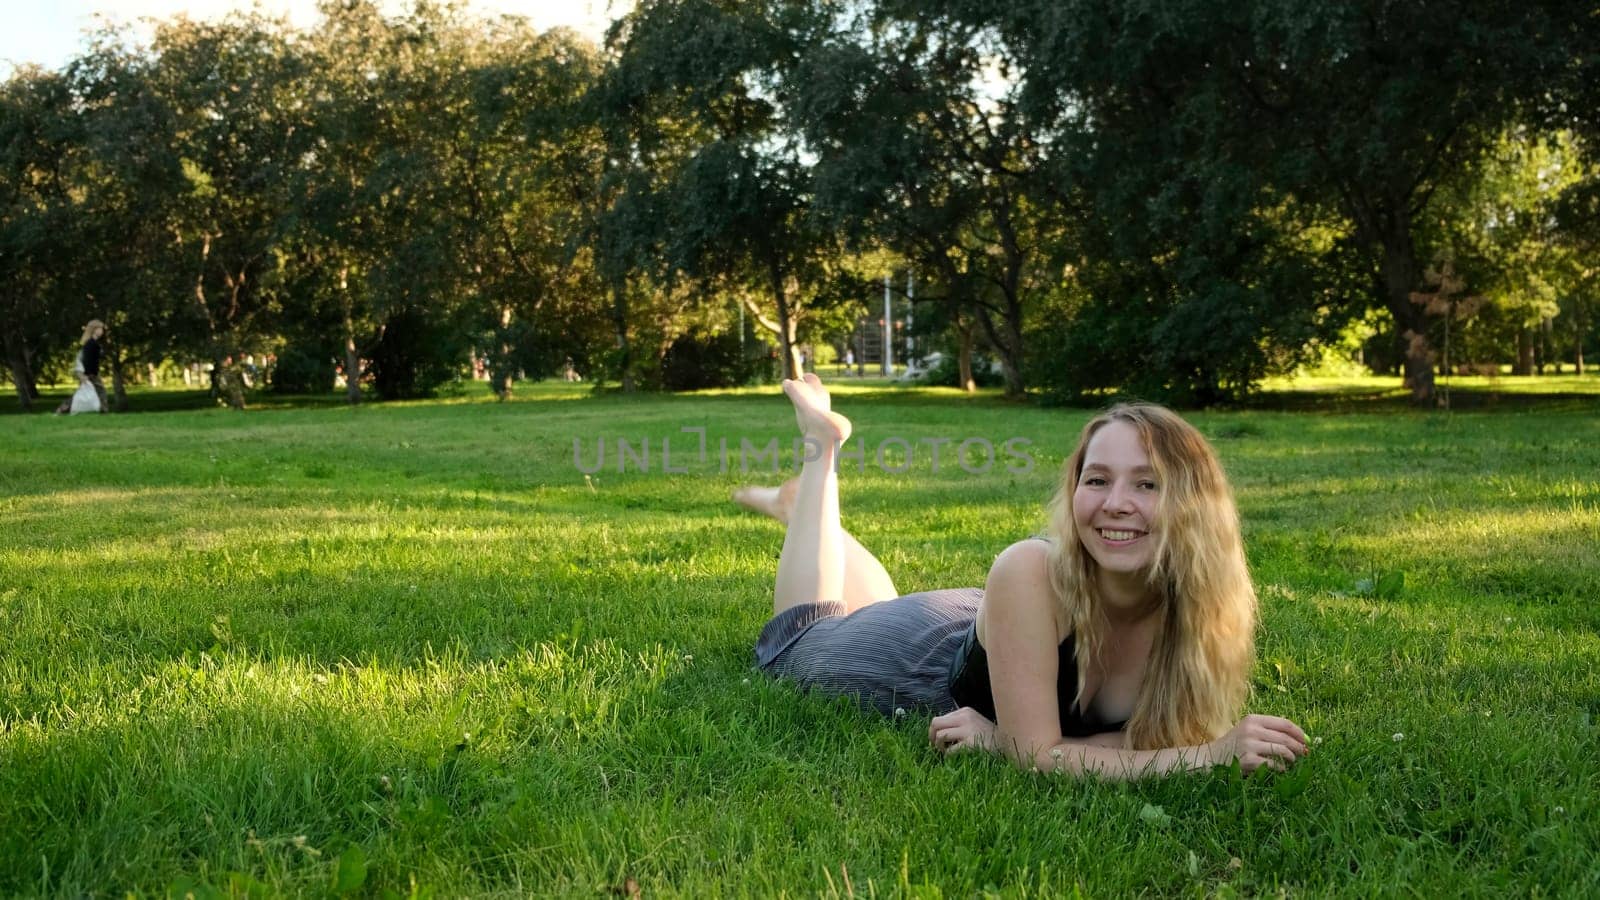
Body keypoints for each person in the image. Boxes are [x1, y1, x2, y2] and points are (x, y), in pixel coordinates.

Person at [733, 374, 1308, 779]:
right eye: (1097, 479)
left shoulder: (1200, 603)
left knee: (865, 602)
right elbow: (1043, 757)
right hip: (912, 660)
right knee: (803, 634)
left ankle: (804, 510)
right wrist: (1208, 755)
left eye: (1147, 484)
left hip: (993, 628)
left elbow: (1151, 739)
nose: (1116, 503)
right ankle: (819, 456)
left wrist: (1012, 740)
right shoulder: (1030, 566)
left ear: (1194, 505)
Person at [56, 319, 108, 415]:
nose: (102, 331)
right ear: (94, 329)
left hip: (91, 373)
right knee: (101, 392)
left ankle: (62, 409)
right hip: (91, 373)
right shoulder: (91, 344)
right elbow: (87, 360)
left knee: (86, 392)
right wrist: (87, 374)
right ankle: (104, 411)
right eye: (100, 329)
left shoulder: (93, 343)